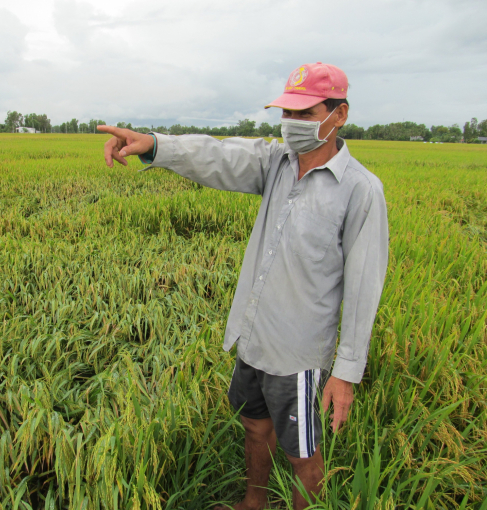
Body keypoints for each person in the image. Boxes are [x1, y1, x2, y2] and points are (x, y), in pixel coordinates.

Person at [98, 62, 389, 510]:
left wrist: (346, 372)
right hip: (253, 337)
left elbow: (365, 285)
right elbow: (217, 155)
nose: (291, 125)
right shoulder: (275, 163)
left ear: (339, 115)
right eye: (287, 114)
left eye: (305, 115)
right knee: (254, 426)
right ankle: (254, 503)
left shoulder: (359, 191)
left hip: (298, 355)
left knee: (303, 455)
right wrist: (155, 145)